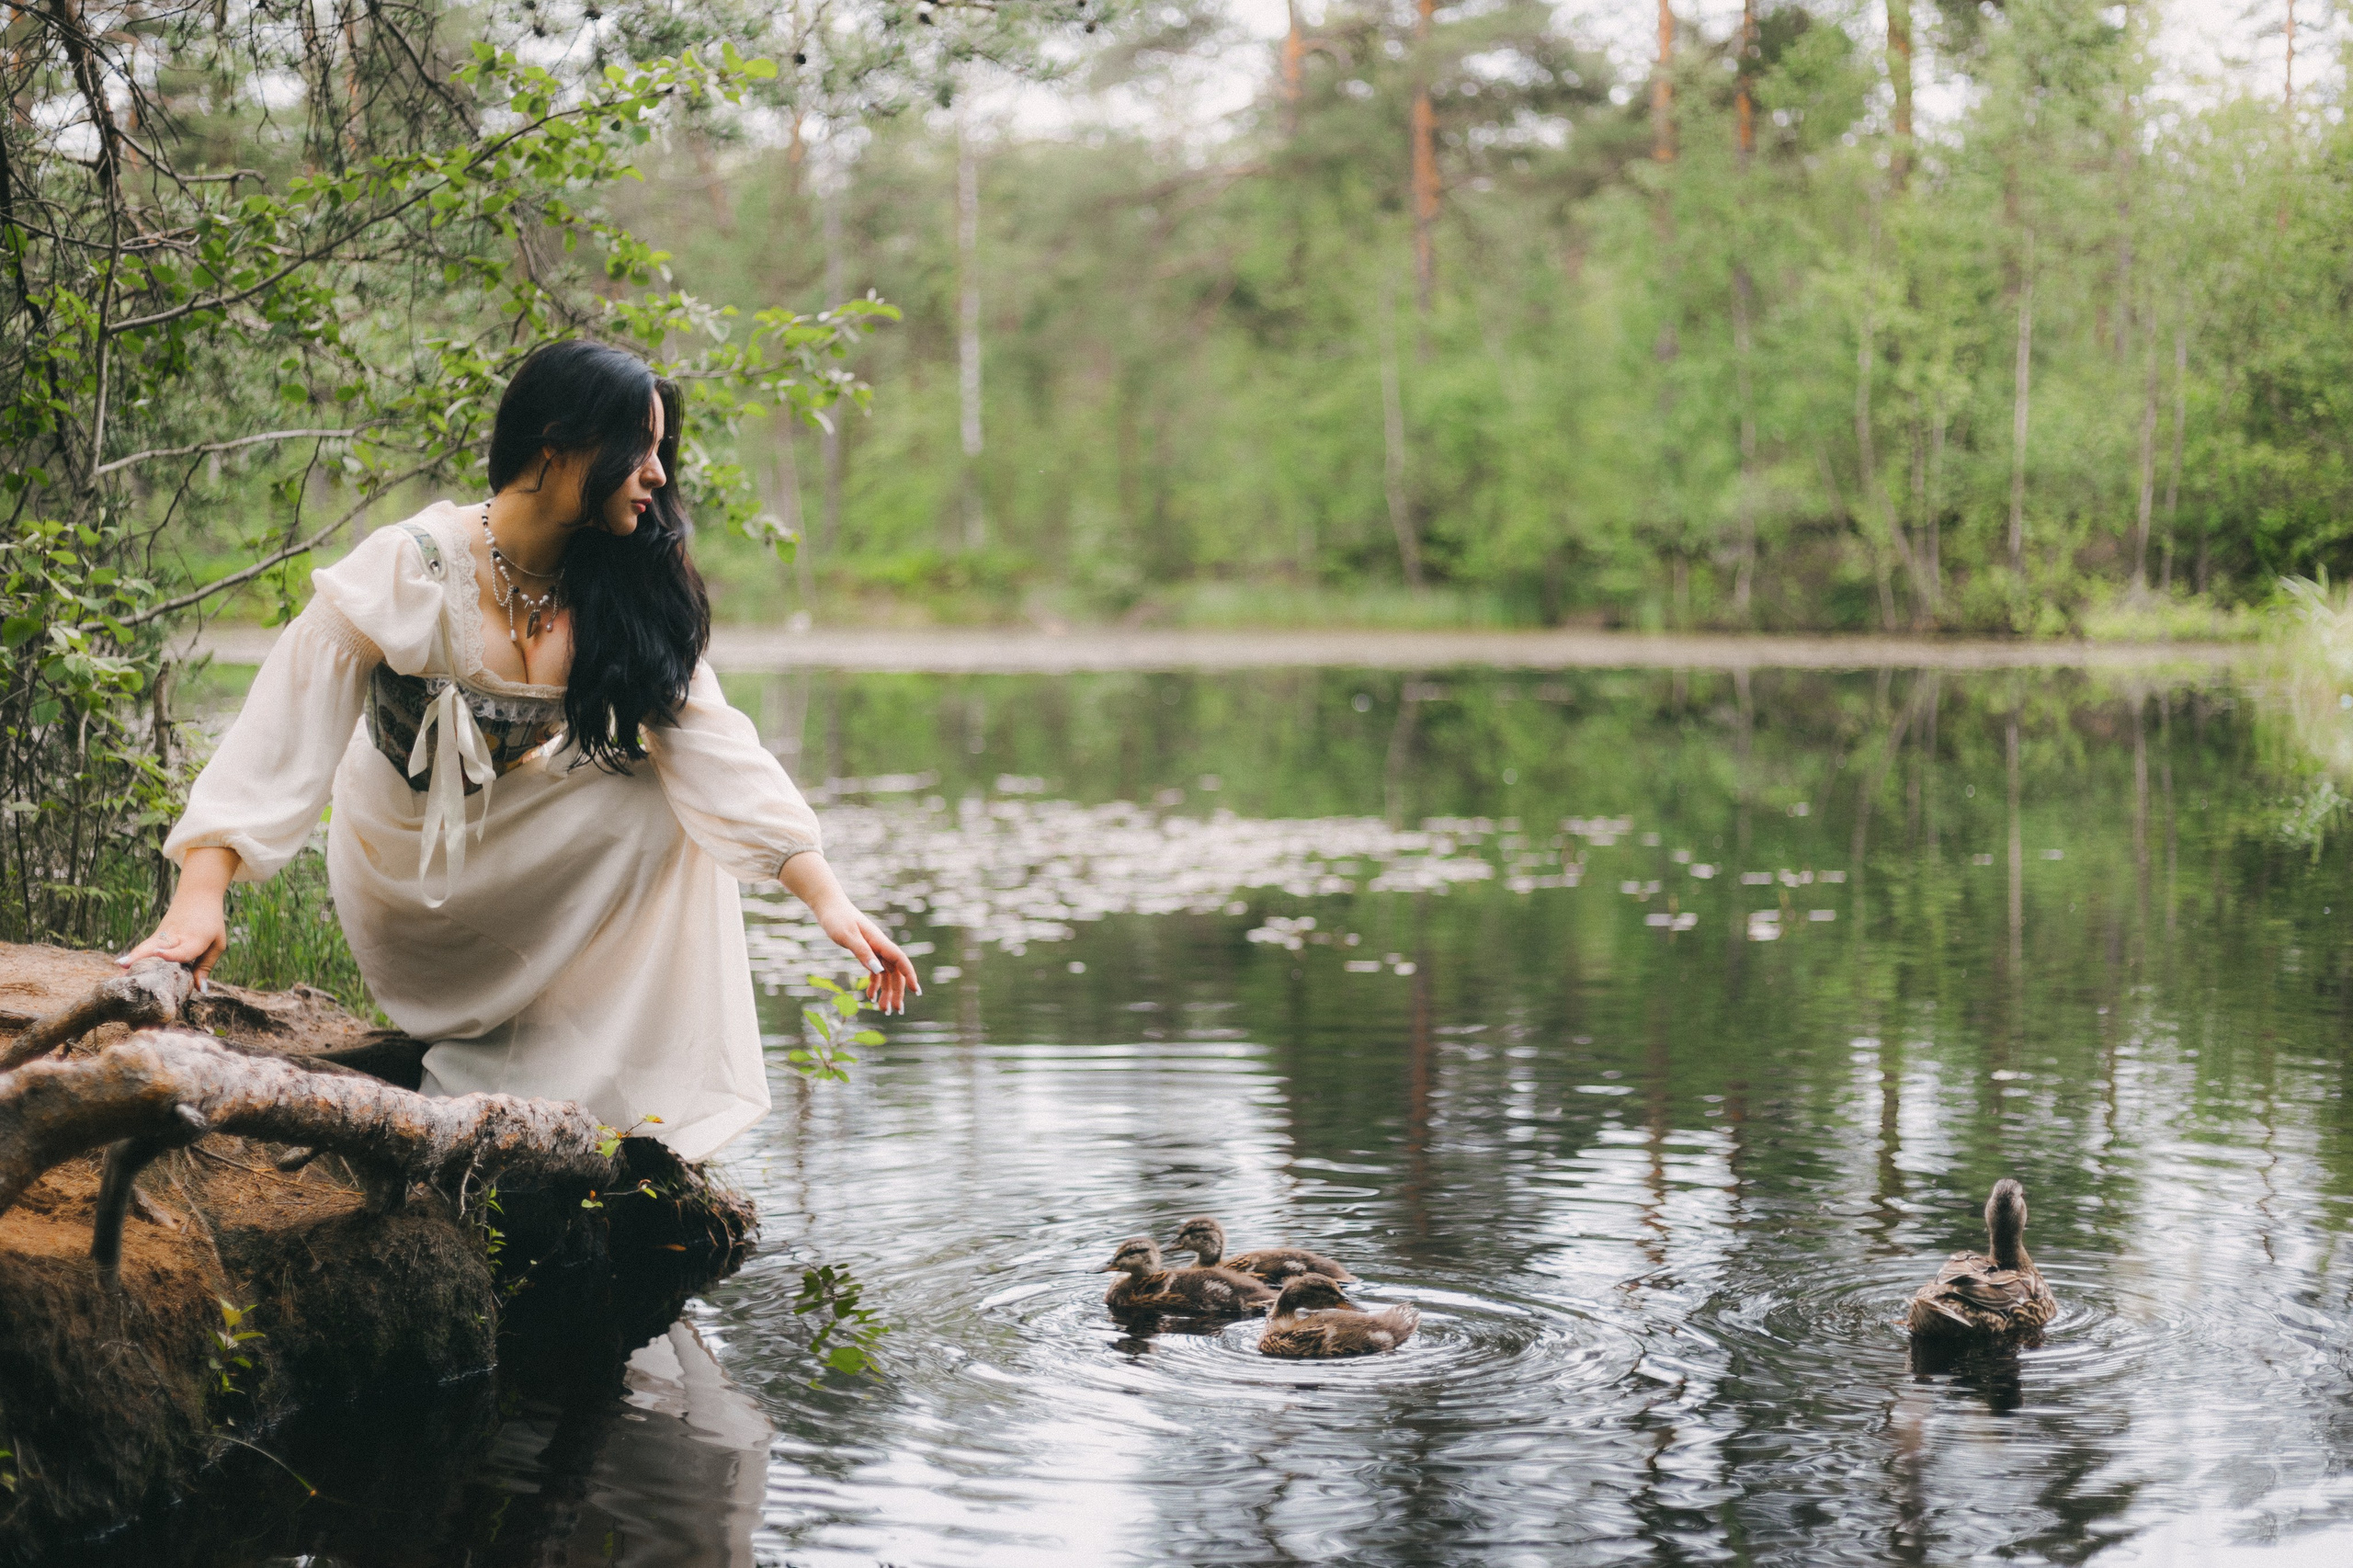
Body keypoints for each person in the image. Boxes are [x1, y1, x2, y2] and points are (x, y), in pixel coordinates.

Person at [123, 339, 915, 1160]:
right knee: (645, 797)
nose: (658, 475)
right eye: (638, 450)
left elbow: (714, 746)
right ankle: (493, 1077)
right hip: (407, 876)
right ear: (558, 446)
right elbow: (280, 727)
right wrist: (201, 893)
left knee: (662, 798)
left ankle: (603, 1111)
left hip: (514, 850)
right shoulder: (415, 564)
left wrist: (827, 899)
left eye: (658, 452)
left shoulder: (618, 588)